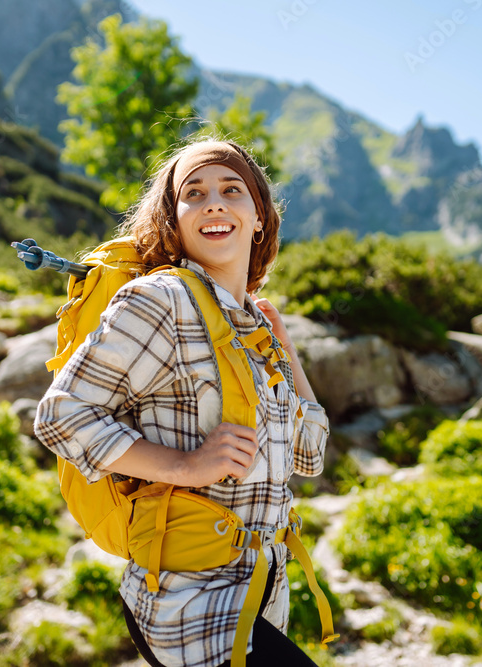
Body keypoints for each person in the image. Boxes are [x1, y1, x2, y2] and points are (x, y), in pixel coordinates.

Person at [33, 137, 329, 667]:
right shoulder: (159, 301)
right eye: (194, 193)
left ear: (259, 217)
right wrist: (186, 466)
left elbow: (309, 452)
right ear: (175, 220)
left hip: (260, 598)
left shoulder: (256, 327)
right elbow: (61, 416)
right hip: (189, 601)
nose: (213, 202)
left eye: (231, 189)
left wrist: (285, 350)